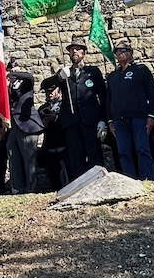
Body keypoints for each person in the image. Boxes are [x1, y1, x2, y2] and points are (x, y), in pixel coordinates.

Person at [40, 37, 108, 182]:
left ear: (84, 53)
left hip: (90, 120)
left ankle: (99, 183)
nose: (74, 52)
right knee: (76, 157)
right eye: (72, 50)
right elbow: (44, 84)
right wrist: (59, 77)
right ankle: (80, 184)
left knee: (94, 154)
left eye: (77, 49)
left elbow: (103, 97)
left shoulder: (93, 72)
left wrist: (103, 119)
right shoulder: (65, 73)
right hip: (71, 121)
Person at [105, 44, 154, 180]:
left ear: (130, 53)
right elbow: (108, 99)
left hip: (139, 116)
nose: (119, 53)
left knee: (142, 148)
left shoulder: (141, 70)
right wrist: (110, 120)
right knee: (123, 151)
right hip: (119, 120)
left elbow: (152, 93)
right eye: (116, 51)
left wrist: (152, 115)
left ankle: (147, 178)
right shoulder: (113, 76)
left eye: (122, 50)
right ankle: (129, 180)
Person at [6, 70, 44, 193]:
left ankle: (30, 189)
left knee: (29, 159)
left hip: (27, 125)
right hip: (14, 126)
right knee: (13, 155)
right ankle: (17, 188)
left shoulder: (25, 84)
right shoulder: (8, 87)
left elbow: (30, 76)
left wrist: (13, 73)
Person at [37, 87, 68, 191]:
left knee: (67, 174)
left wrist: (56, 118)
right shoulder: (42, 108)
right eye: (47, 91)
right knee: (53, 175)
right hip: (49, 145)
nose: (49, 93)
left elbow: (68, 121)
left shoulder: (65, 105)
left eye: (51, 91)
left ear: (58, 90)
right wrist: (43, 124)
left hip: (64, 143)